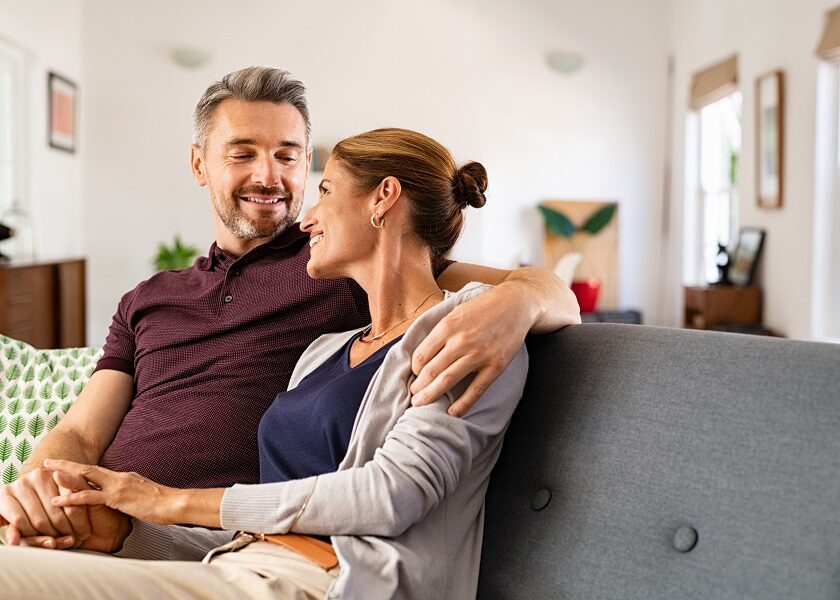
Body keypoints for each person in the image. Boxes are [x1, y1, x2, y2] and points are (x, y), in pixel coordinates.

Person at [0, 66, 579, 549]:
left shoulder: (346, 261)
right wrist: (40, 491)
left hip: (225, 539)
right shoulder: (148, 299)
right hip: (107, 526)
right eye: (243, 153)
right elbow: (79, 430)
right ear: (200, 164)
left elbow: (545, 291)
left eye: (288, 155)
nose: (268, 175)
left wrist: (520, 301)